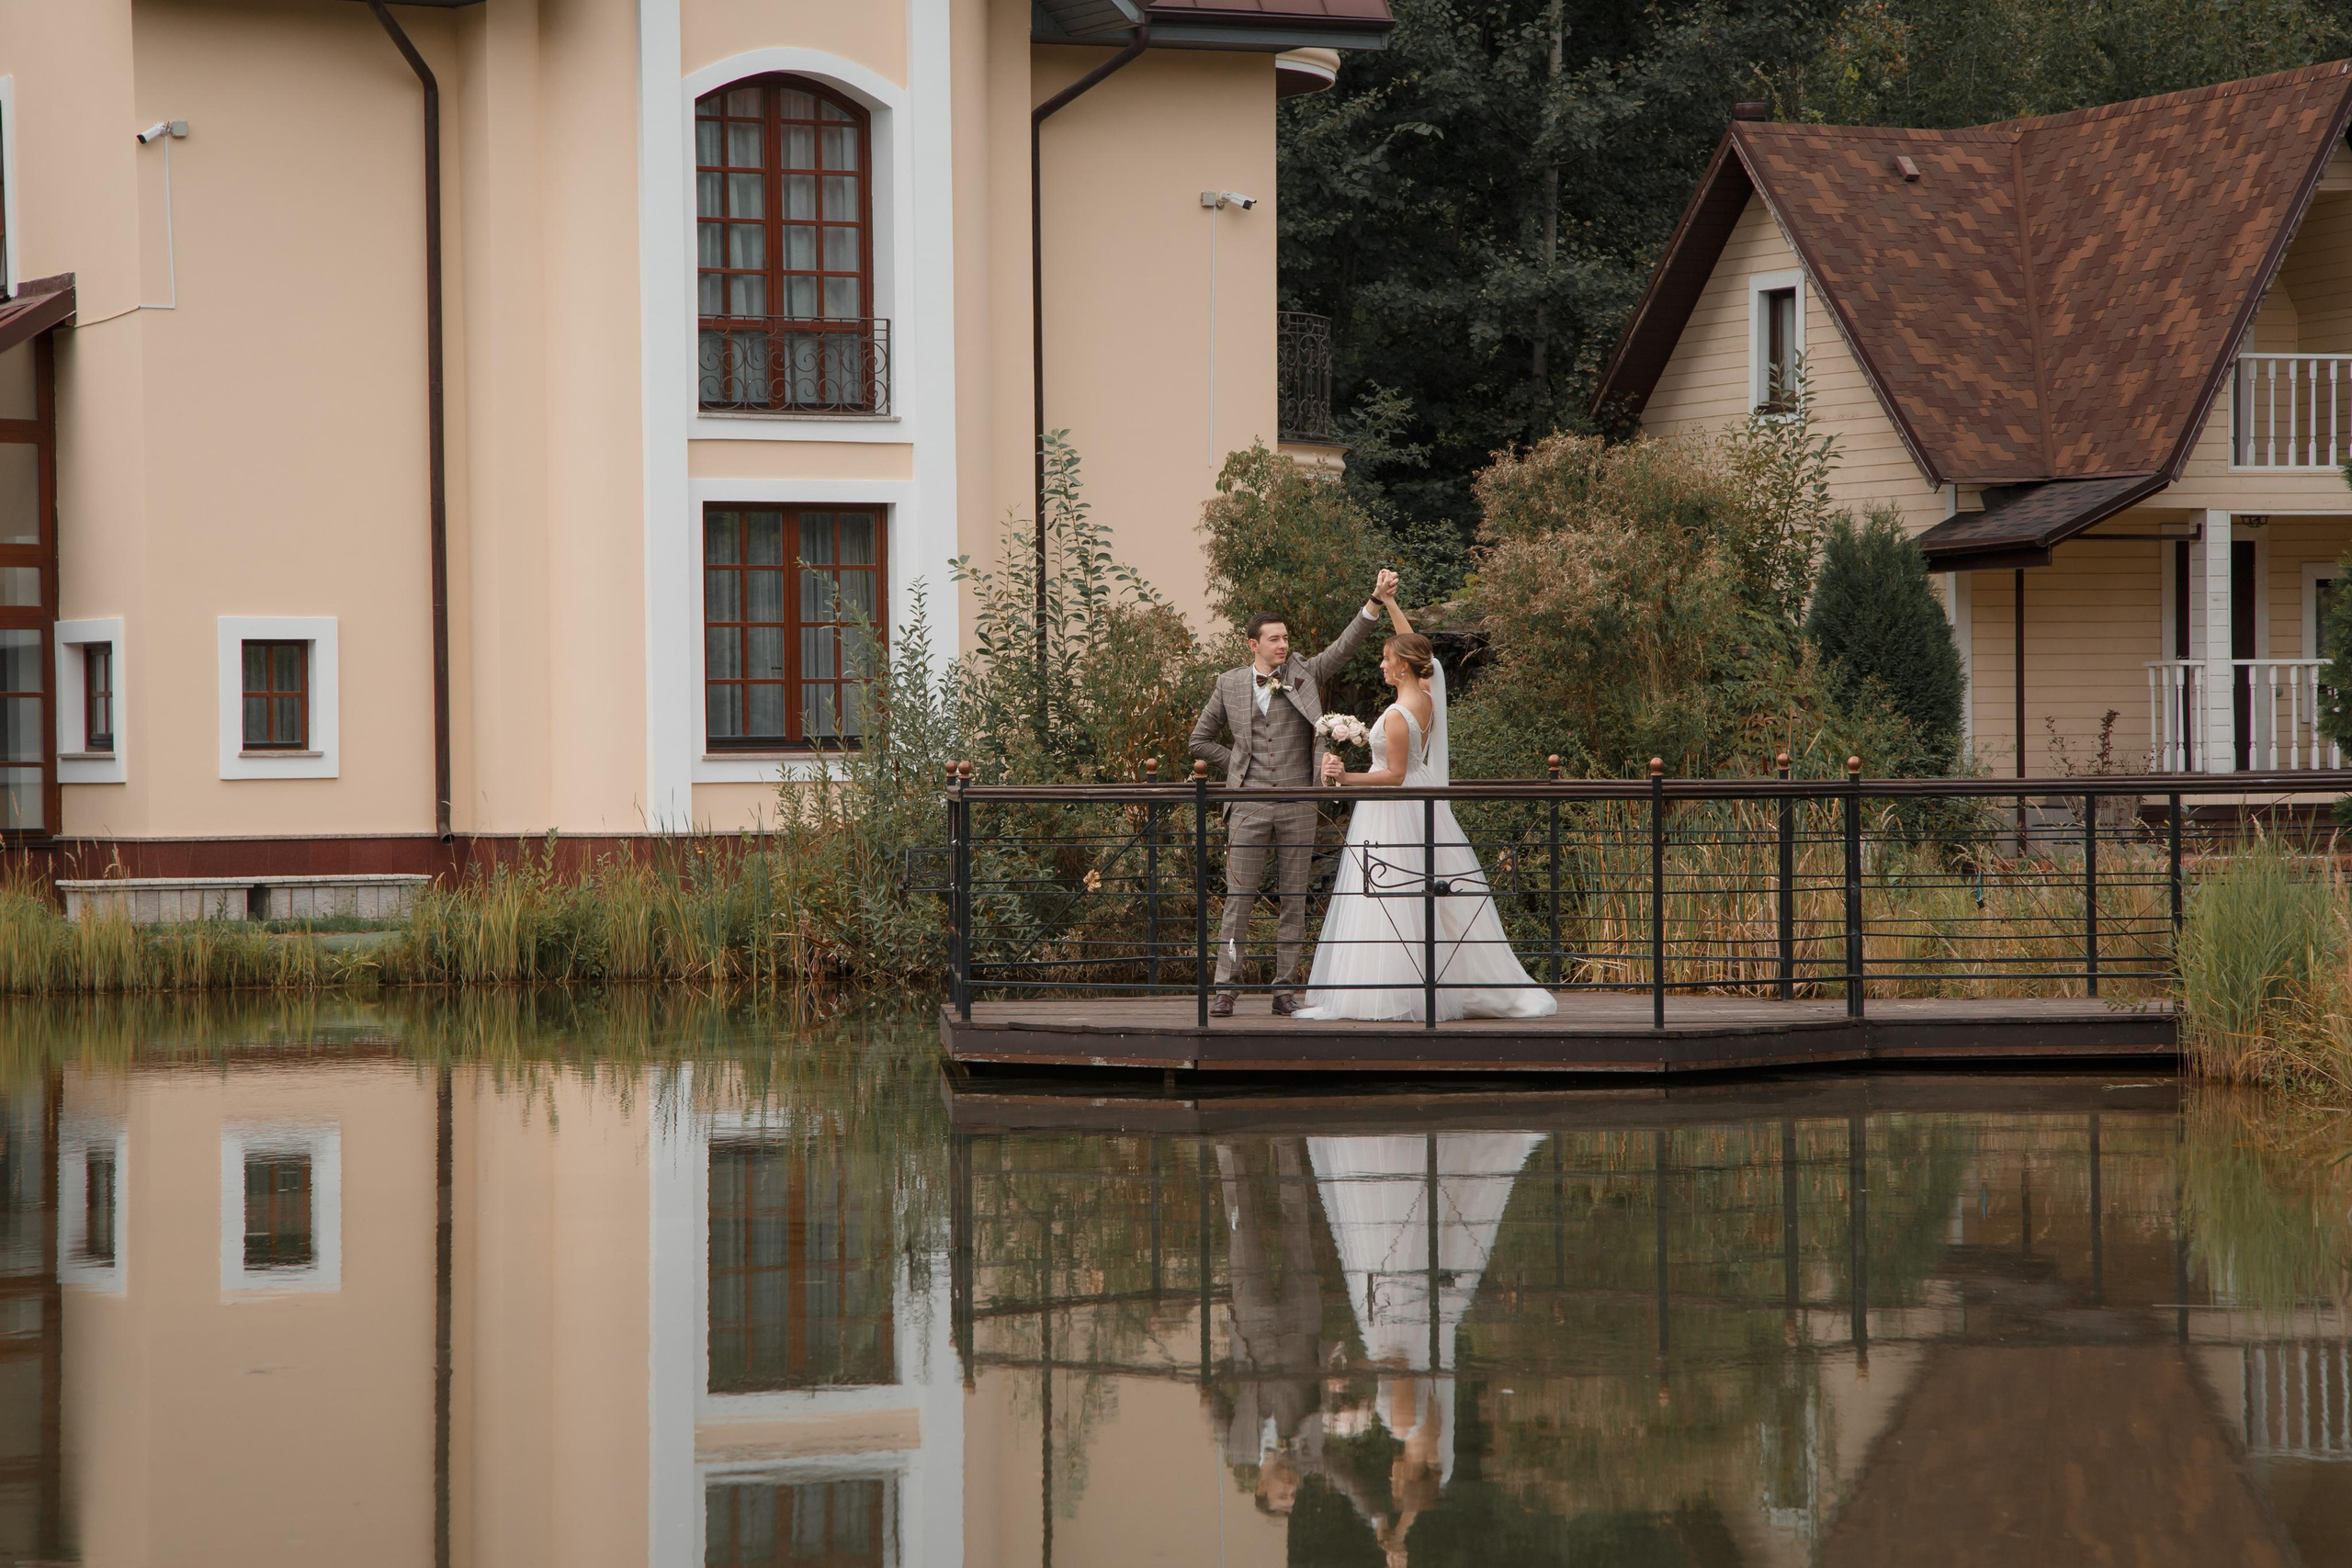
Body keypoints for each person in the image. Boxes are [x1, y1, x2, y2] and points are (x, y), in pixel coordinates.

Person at [1292, 611, 1556, 1021]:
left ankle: (1391, 994)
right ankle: (1416, 985)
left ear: (1402, 666)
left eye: (1385, 659)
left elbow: (1394, 776)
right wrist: (1392, 605)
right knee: (1418, 895)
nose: (1381, 665)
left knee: (1390, 897)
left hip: (1393, 810)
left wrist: (1346, 777)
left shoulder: (1399, 715)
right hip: (1419, 807)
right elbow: (1417, 648)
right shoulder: (1427, 696)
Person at [1190, 570, 1398, 1017]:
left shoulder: (1304, 672)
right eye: (1274, 640)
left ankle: (1283, 989)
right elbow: (1199, 740)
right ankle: (1226, 987)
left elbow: (1343, 648)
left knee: (1294, 898)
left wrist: (1374, 603)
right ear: (1253, 645)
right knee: (1238, 898)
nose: (1283, 645)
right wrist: (1239, 766)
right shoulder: (1228, 684)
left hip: (1300, 803)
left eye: (1285, 638)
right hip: (1247, 803)